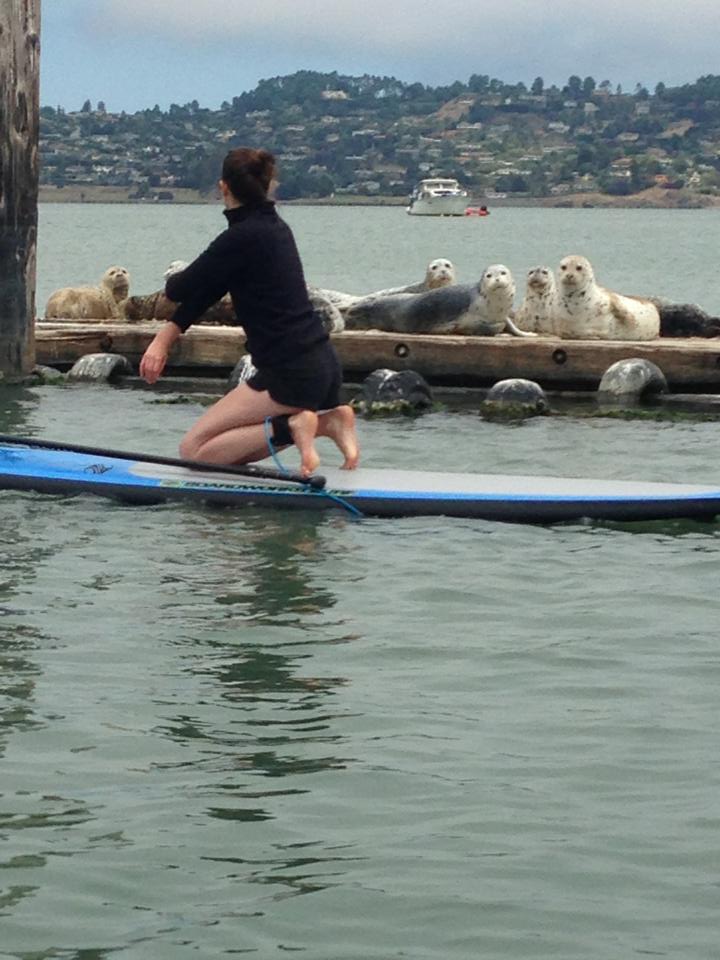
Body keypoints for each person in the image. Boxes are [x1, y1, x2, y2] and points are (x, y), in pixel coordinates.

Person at [139, 147, 359, 477]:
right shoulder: (277, 229)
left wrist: (173, 276)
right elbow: (212, 287)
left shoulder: (240, 237)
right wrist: (165, 338)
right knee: (218, 451)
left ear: (223, 187)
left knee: (193, 451)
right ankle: (326, 422)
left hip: (291, 374)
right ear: (268, 184)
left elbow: (179, 289)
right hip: (321, 364)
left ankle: (300, 425)